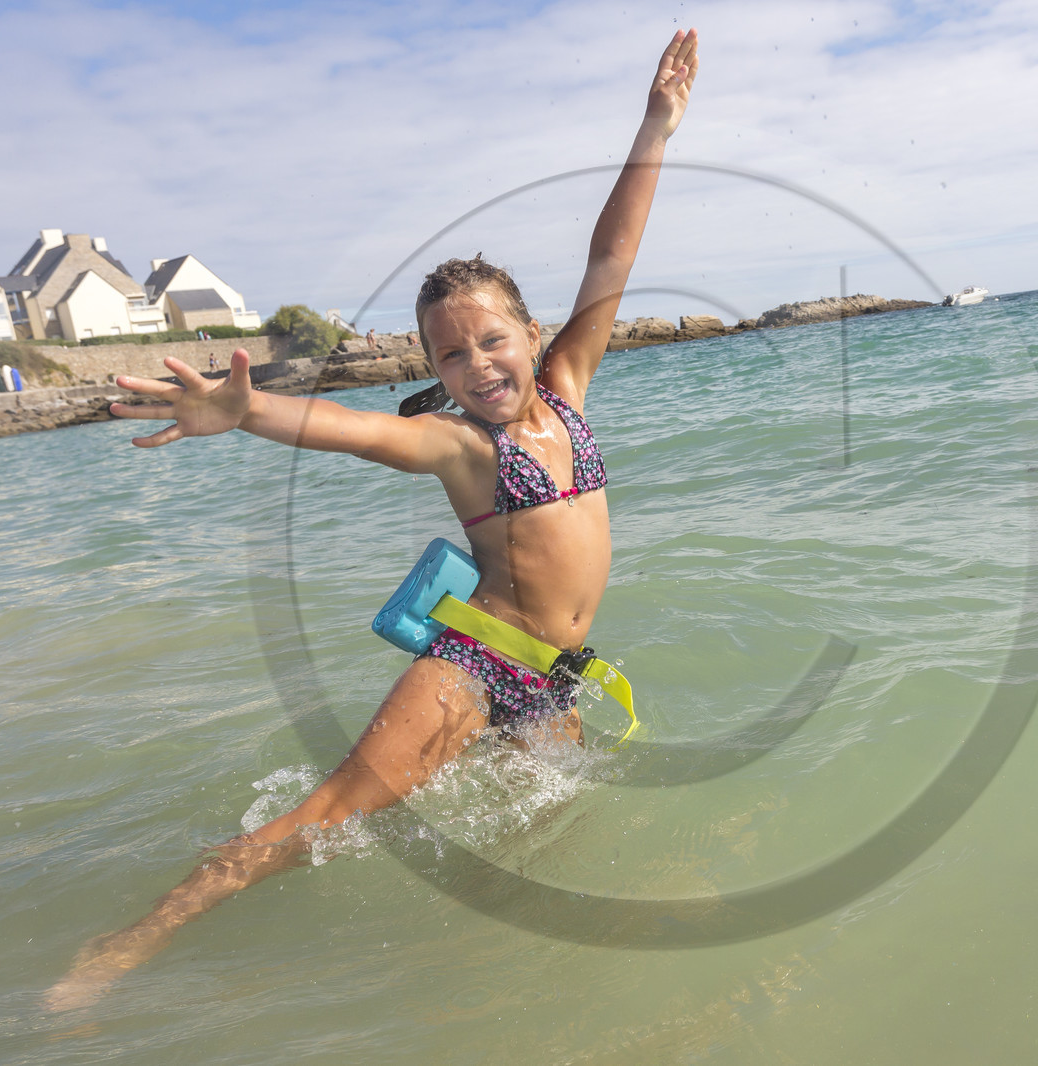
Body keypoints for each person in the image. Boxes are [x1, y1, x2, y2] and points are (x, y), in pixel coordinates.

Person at [46, 29, 699, 1010]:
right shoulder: (460, 446)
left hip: (547, 683)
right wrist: (244, 409)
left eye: (491, 339)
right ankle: (123, 944)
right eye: (449, 356)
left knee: (549, 839)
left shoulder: (567, 385)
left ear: (529, 334)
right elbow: (349, 429)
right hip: (474, 667)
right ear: (435, 375)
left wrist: (655, 126)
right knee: (327, 815)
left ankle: (484, 980)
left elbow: (612, 254)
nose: (477, 364)